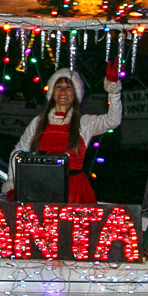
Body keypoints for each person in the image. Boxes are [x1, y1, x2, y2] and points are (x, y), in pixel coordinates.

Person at [8, 66, 123, 203]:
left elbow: (113, 120)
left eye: (68, 87)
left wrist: (113, 92)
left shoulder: (84, 123)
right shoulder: (39, 121)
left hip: (74, 192)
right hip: (41, 189)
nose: (63, 91)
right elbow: (19, 151)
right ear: (52, 93)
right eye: (58, 87)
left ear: (75, 93)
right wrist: (13, 183)